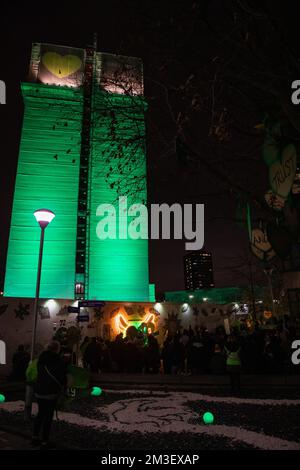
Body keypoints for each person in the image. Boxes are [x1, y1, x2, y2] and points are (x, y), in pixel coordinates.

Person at [32, 341, 67, 448]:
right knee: (48, 416)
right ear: (57, 349)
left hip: (39, 391)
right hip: (51, 393)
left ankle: (35, 437)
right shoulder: (58, 361)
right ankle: (44, 441)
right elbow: (62, 378)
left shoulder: (40, 359)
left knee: (40, 414)